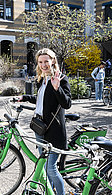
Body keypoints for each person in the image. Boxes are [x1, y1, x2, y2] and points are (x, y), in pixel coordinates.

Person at [19, 48, 71, 195]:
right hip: (40, 128)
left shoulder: (61, 78)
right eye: (40, 62)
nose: (43, 65)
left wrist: (57, 88)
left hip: (54, 131)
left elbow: (67, 103)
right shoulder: (41, 79)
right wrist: (26, 97)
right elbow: (42, 101)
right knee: (44, 165)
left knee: (51, 167)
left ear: (52, 61)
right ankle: (51, 191)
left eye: (46, 61)